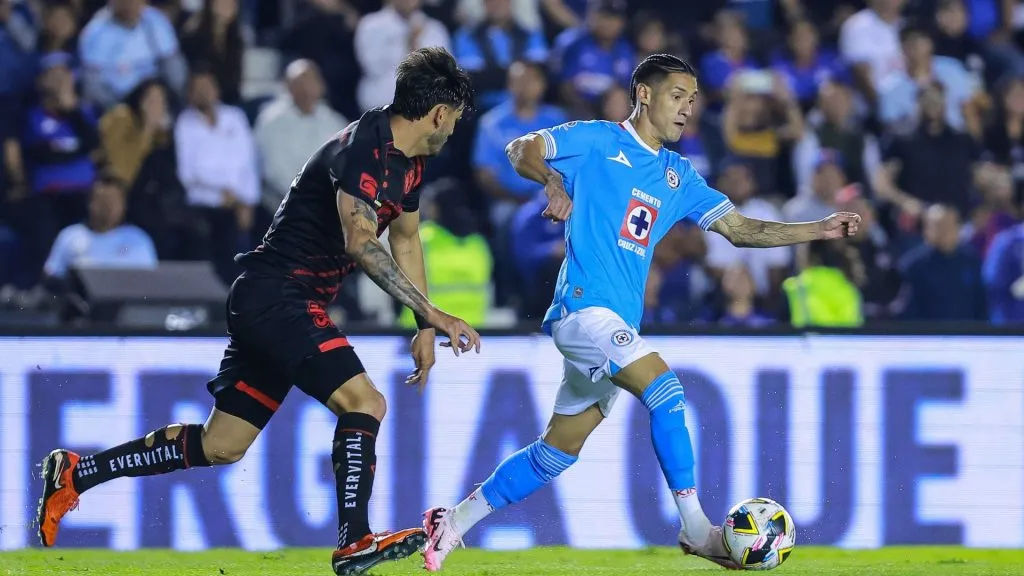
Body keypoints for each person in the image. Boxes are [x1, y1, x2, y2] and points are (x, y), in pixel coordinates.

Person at [37, 48, 482, 576]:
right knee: (365, 401)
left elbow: (406, 238)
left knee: (222, 445)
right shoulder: (364, 149)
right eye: (454, 118)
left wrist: (422, 325)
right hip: (278, 295)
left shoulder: (410, 165)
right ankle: (354, 539)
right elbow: (362, 241)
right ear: (438, 113)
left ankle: (76, 473)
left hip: (277, 301)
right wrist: (435, 313)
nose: (454, 129)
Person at [420, 53, 860, 571]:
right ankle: (696, 528)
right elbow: (521, 148)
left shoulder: (678, 175)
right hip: (584, 312)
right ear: (644, 94)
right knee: (665, 390)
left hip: (614, 326)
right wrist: (553, 182)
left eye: (693, 101)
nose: (687, 110)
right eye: (678, 96)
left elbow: (740, 229)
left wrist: (817, 228)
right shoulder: (600, 140)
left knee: (558, 450)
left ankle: (452, 523)